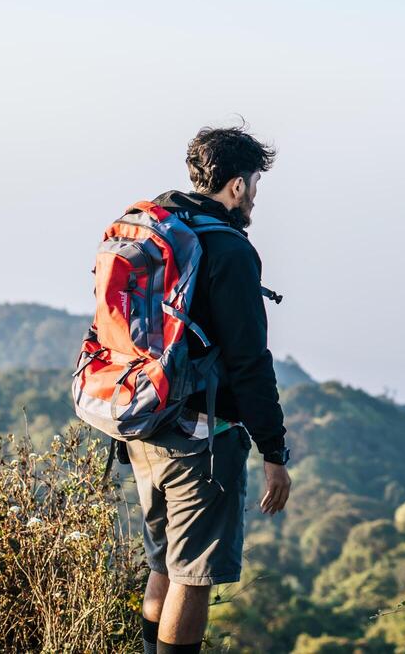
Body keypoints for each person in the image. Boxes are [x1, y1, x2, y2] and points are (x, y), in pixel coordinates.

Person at [127, 123, 293, 654]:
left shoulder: (160, 228)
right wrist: (273, 449)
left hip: (144, 423)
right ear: (238, 186)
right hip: (201, 436)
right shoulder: (229, 250)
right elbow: (249, 361)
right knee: (193, 575)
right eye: (254, 188)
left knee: (163, 561)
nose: (253, 202)